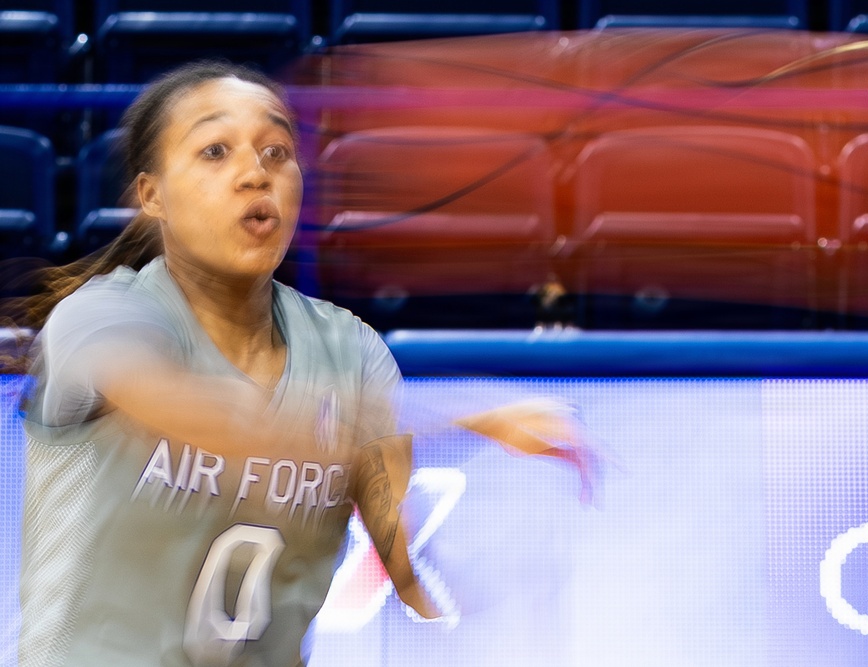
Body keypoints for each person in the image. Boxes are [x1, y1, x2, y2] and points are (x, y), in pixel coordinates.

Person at [12, 60, 597, 667]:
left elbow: (396, 545)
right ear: (151, 195)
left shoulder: (352, 349)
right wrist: (470, 415)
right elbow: (234, 425)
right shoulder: (100, 318)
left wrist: (444, 588)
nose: (254, 174)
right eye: (215, 150)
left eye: (276, 151)